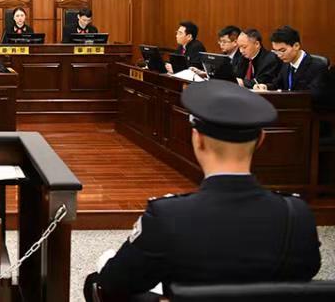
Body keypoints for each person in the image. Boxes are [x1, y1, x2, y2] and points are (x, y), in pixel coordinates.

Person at [84, 80, 321, 302]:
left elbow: (114, 284)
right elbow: (303, 276)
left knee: (96, 283)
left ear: (197, 139)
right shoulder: (297, 214)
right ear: (261, 139)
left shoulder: (167, 216)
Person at [254, 26, 328, 92]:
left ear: (296, 46)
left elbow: (313, 95)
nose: (279, 55)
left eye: (282, 50)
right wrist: (265, 87)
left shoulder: (317, 67)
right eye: (276, 51)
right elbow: (277, 84)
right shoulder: (285, 64)